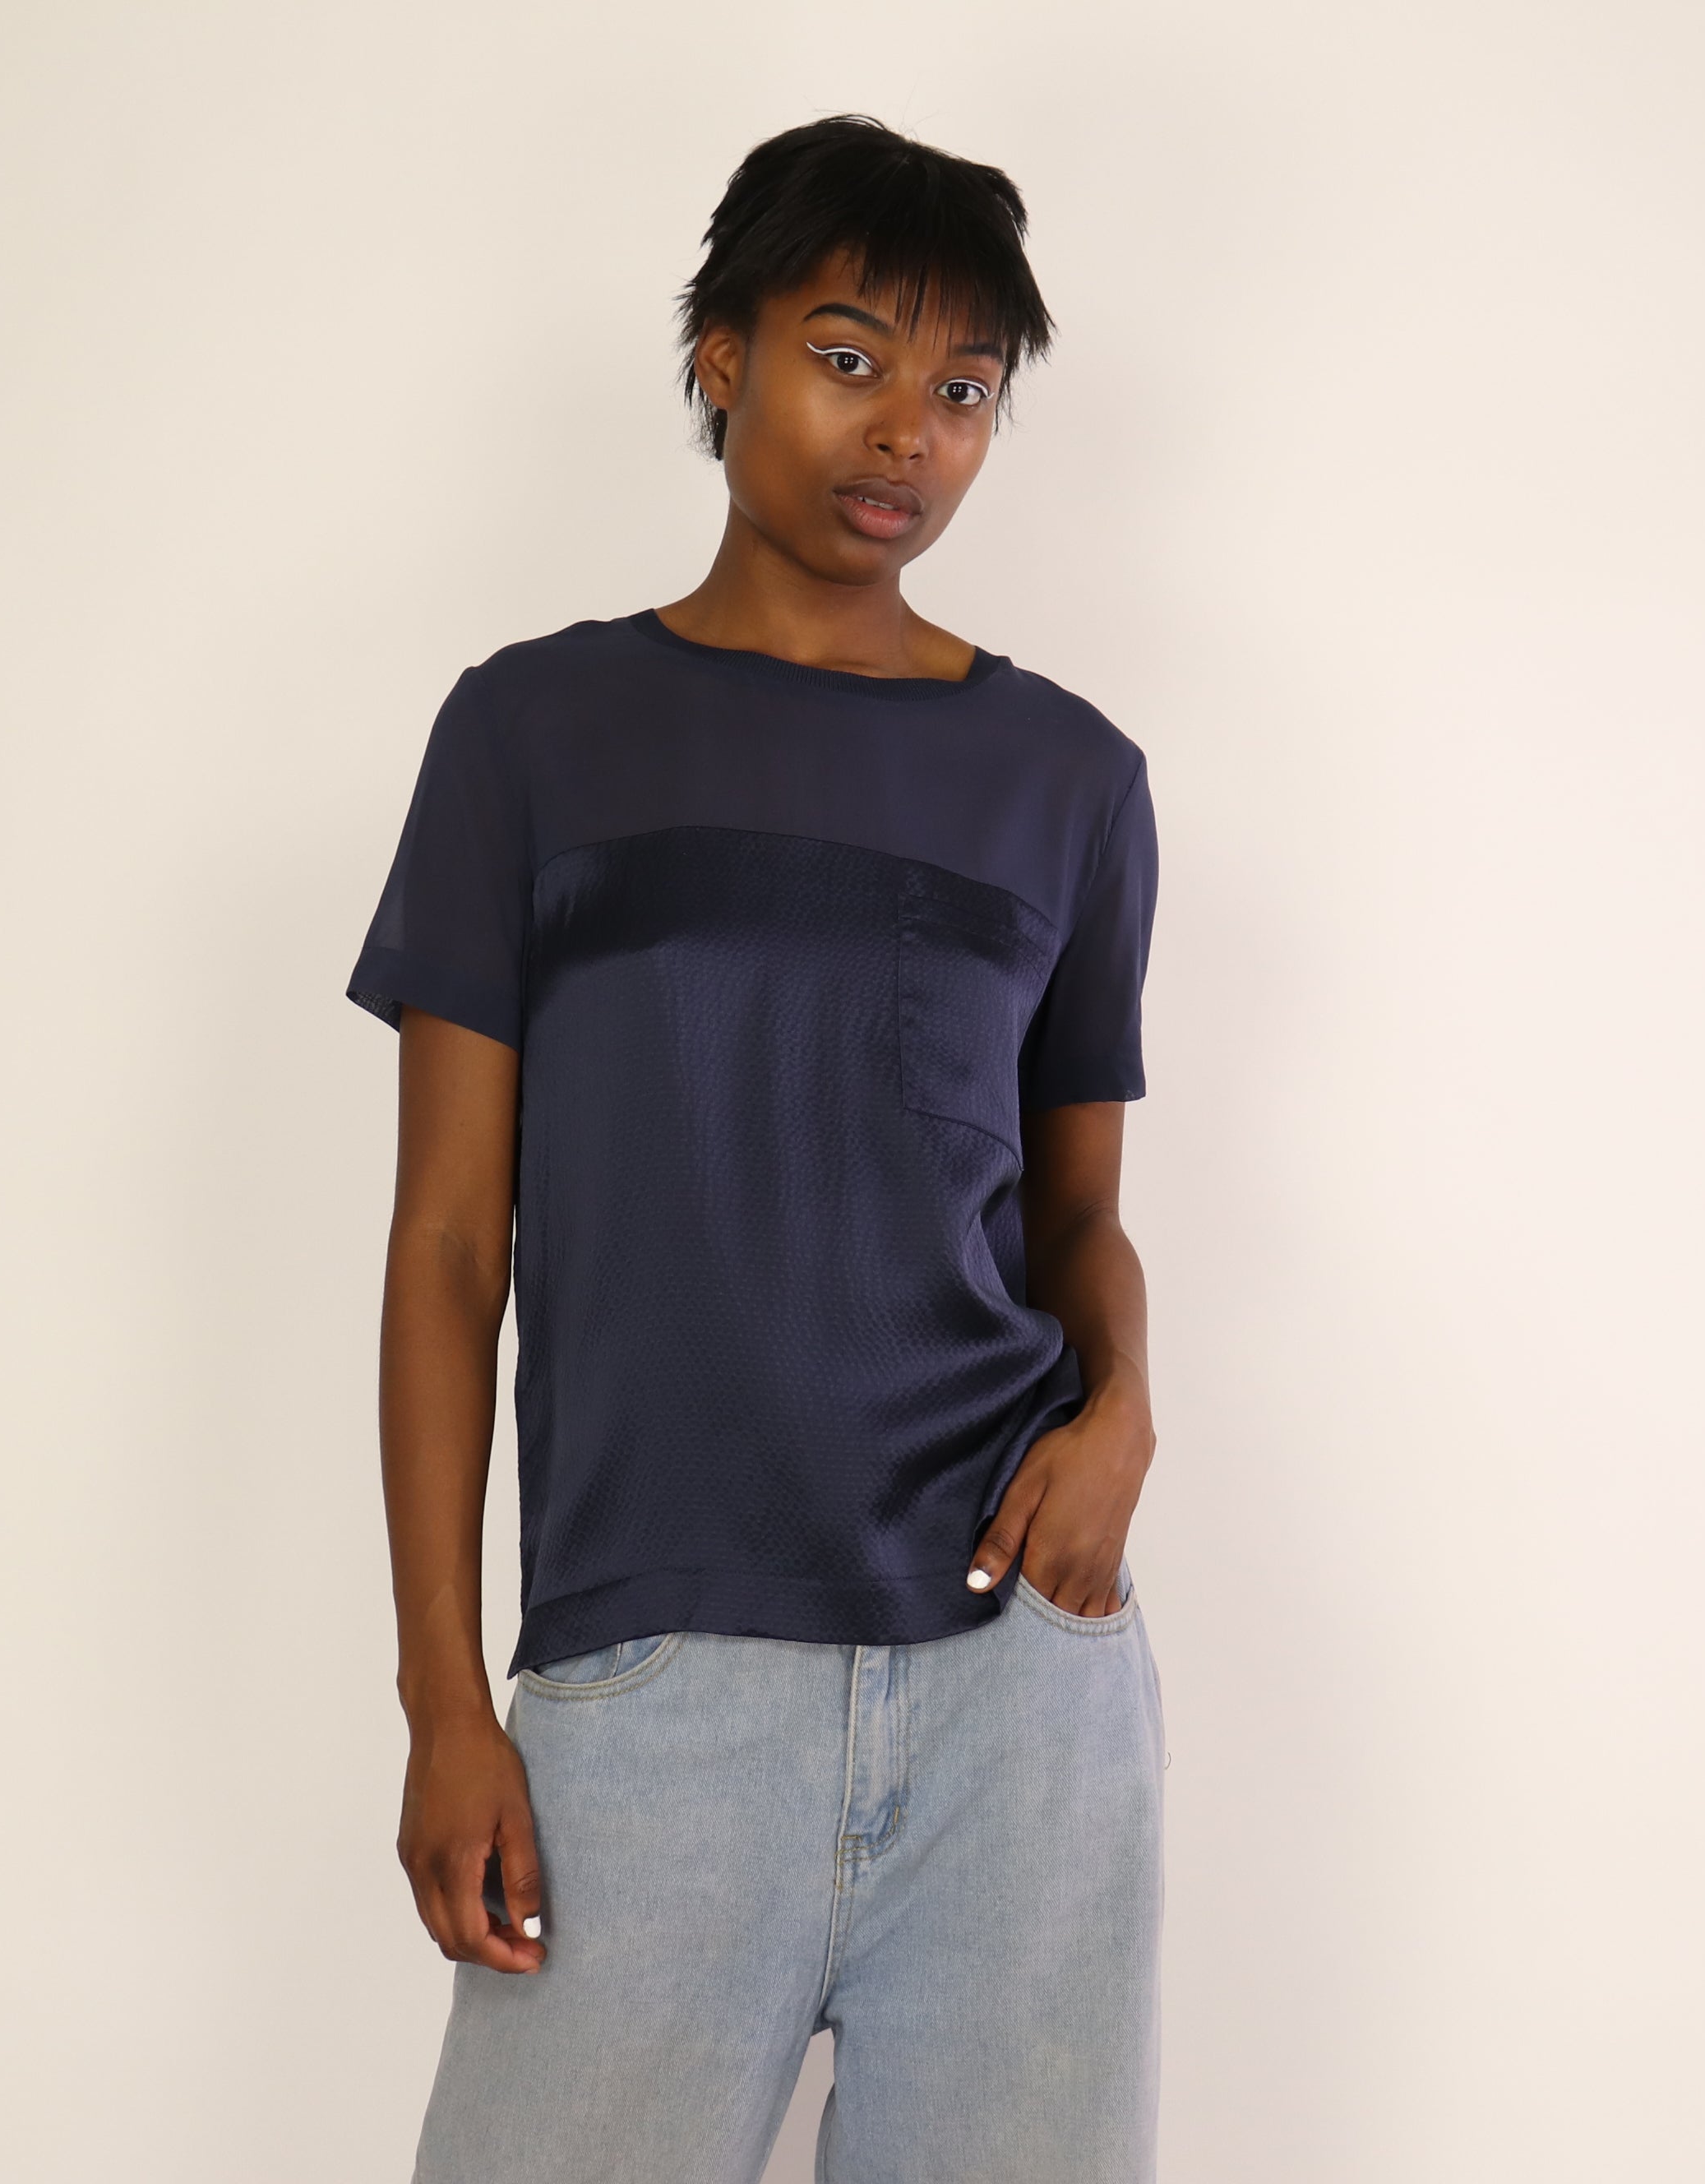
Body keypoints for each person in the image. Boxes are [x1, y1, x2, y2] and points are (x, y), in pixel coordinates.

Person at [346, 113, 1166, 2184]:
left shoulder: (1066, 778)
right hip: (651, 1679)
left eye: (962, 390)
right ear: (720, 355)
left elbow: (1076, 1214)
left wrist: (1126, 1412)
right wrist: (444, 1698)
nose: (905, 432)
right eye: (848, 355)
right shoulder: (529, 735)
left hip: (1012, 1687)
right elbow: (446, 1245)